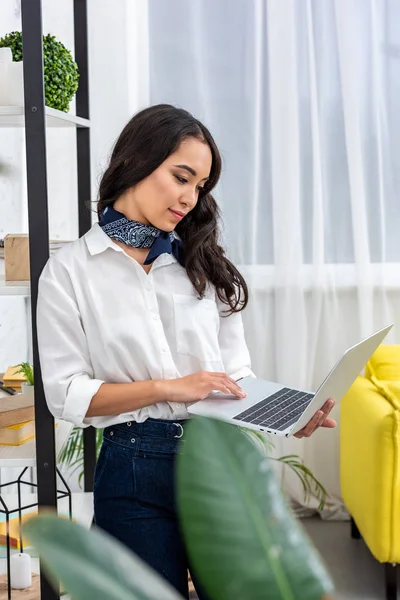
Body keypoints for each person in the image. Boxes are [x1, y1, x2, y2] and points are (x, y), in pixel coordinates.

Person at [37, 104, 336, 599]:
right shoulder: (70, 271)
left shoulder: (203, 264)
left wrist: (287, 413)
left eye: (199, 186)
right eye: (181, 177)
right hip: (131, 465)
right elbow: (65, 395)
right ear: (135, 160)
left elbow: (234, 376)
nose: (189, 198)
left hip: (216, 459)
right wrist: (167, 388)